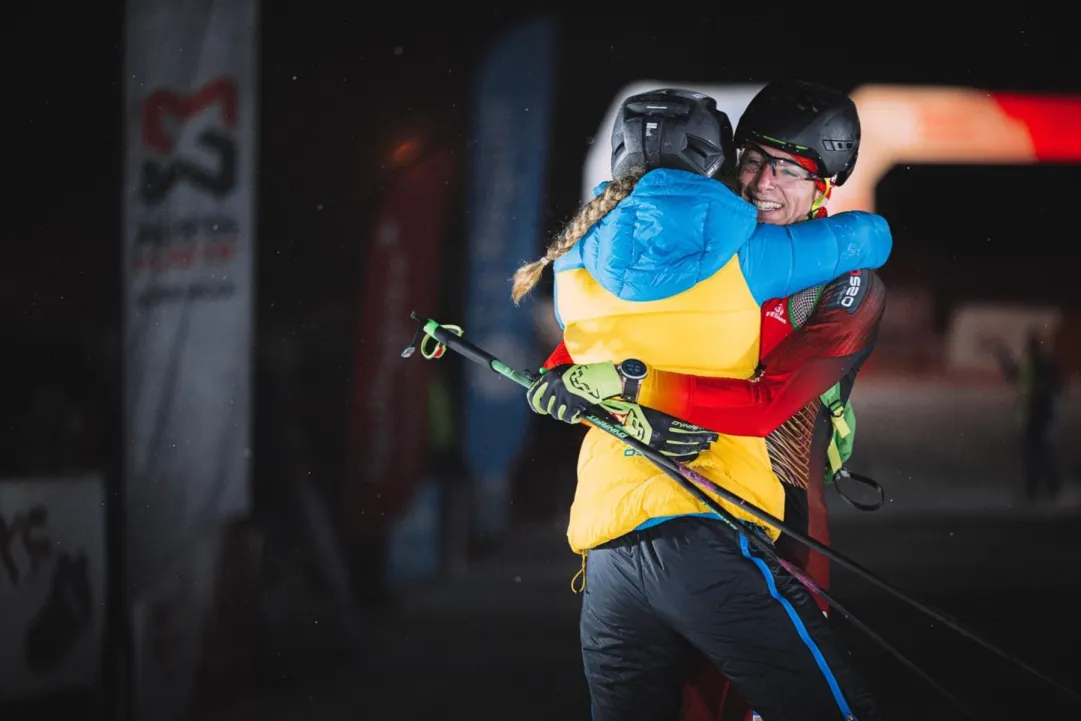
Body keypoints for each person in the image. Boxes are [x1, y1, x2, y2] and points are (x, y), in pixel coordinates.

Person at [512, 87, 889, 721]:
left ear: (824, 187)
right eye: (754, 160)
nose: (765, 182)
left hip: (782, 526)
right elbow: (587, 358)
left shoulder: (842, 281)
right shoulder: (699, 254)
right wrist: (571, 390)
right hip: (676, 528)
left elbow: (767, 403)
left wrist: (635, 391)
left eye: (791, 169)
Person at [987, 327, 1065, 502]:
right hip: (1032, 414)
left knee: (1040, 450)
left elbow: (1053, 387)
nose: (1029, 347)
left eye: (1032, 343)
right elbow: (1014, 375)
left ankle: (1048, 488)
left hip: (1043, 413)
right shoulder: (1031, 363)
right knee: (1034, 452)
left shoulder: (1045, 364)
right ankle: (1038, 489)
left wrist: (1040, 394)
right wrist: (1002, 355)